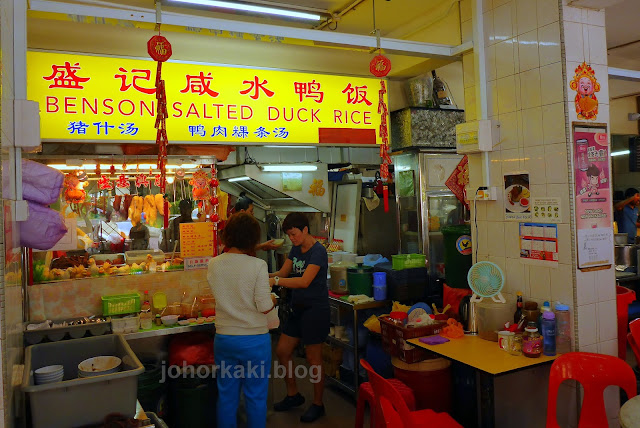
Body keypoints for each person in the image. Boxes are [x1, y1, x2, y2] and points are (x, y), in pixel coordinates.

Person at [208, 213, 276, 428]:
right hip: (254, 341)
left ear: (228, 236)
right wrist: (274, 298)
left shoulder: (214, 264)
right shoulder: (257, 266)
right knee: (255, 398)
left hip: (225, 339)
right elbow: (264, 306)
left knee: (227, 397)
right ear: (252, 239)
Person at [269, 212, 329, 423]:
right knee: (283, 351)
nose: (291, 239)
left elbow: (304, 281)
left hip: (315, 310)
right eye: (289, 236)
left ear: (305, 230)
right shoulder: (296, 249)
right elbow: (283, 273)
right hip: (298, 308)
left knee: (314, 359)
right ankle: (293, 395)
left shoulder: (318, 252)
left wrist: (274, 281)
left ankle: (318, 404)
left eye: (294, 234)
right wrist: (259, 275)